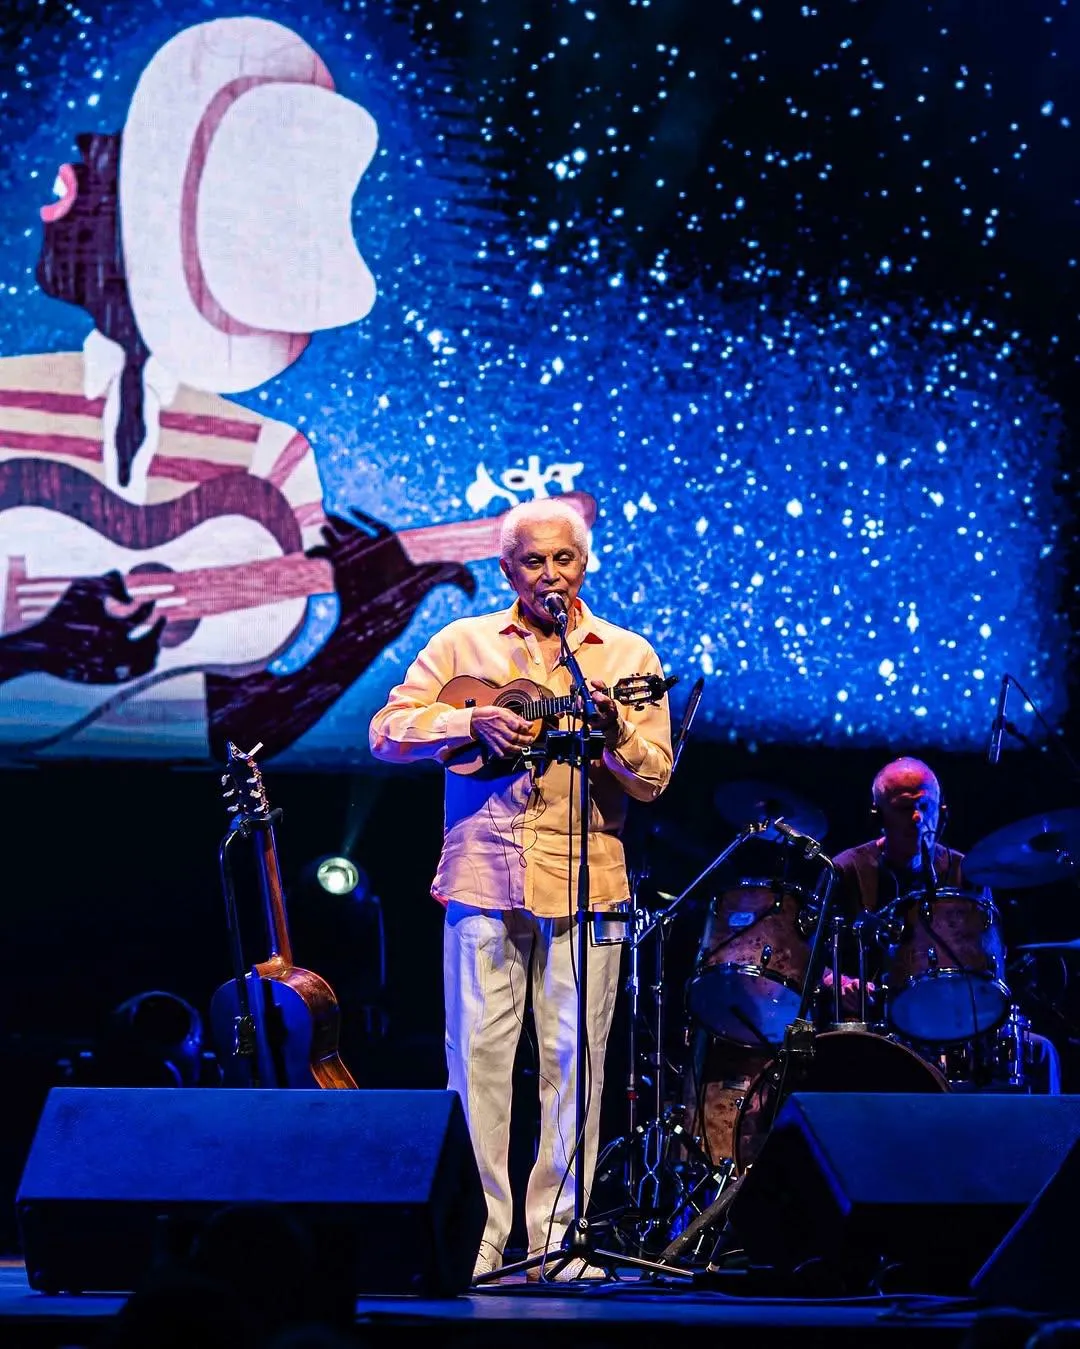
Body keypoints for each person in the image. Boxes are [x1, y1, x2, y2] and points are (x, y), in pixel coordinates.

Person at [368, 498, 673, 1281]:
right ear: (506, 571)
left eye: (562, 560)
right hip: (484, 876)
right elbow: (386, 728)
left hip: (589, 884)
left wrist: (615, 734)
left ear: (584, 565)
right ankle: (476, 1236)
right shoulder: (462, 642)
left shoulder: (625, 654)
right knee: (478, 1061)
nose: (549, 575)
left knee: (577, 1063)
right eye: (532, 562)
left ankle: (555, 1241)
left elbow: (654, 778)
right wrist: (466, 726)